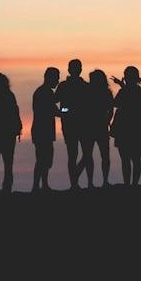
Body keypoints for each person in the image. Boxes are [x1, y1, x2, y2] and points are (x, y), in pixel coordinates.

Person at [55, 59, 90, 190]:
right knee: (73, 154)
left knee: (86, 154)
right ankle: (74, 184)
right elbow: (55, 101)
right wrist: (65, 111)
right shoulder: (63, 86)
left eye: (78, 68)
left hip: (83, 124)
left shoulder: (85, 86)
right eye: (74, 68)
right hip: (70, 124)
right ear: (70, 70)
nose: (76, 70)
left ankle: (75, 178)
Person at [111, 66, 141, 185]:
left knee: (127, 159)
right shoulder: (140, 92)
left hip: (125, 128)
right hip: (134, 129)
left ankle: (128, 184)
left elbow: (116, 103)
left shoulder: (126, 91)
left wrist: (121, 86)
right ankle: (133, 184)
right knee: (134, 159)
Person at [32, 67, 62, 192]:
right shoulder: (45, 92)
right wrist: (68, 111)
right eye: (56, 78)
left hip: (42, 130)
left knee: (44, 159)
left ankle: (42, 185)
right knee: (43, 159)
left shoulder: (42, 91)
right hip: (42, 131)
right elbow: (55, 110)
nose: (58, 81)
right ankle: (39, 186)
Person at [83, 69, 114, 187]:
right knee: (92, 155)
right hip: (92, 126)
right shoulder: (89, 92)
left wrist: (107, 121)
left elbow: (111, 109)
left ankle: (102, 181)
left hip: (98, 126)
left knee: (101, 155)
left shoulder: (104, 92)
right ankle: (93, 181)